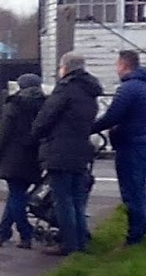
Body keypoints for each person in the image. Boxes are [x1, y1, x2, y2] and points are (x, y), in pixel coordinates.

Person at [32, 51, 104, 255]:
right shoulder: (90, 92)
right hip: (81, 149)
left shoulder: (65, 89)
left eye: (60, 67)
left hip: (60, 150)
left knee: (62, 200)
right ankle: (81, 241)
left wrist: (37, 133)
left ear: (67, 67)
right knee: (77, 199)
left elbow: (46, 117)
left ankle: (69, 243)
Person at [91, 49, 146, 245]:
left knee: (132, 191)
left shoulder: (128, 89)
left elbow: (113, 116)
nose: (116, 69)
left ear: (123, 65)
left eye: (117, 65)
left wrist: (89, 128)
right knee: (139, 188)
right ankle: (140, 231)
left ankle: (135, 236)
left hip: (131, 144)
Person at [0, 72, 46, 249]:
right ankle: (1, 232)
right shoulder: (45, 106)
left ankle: (25, 233)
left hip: (13, 156)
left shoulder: (13, 105)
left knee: (16, 196)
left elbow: (3, 135)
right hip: (34, 157)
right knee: (17, 195)